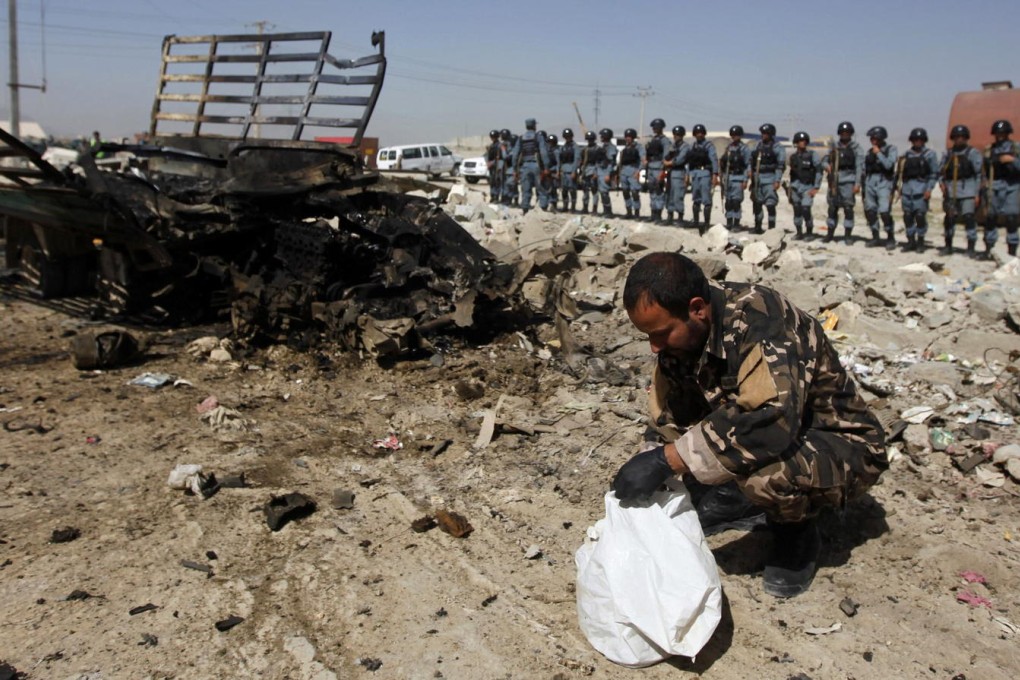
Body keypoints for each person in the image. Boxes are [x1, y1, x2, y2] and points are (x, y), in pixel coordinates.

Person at [613, 252, 888, 598]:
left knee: (766, 480)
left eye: (660, 333)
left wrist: (667, 460)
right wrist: (652, 455)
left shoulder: (762, 321)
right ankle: (734, 492)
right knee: (685, 475)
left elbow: (770, 422)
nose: (654, 346)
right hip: (780, 434)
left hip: (840, 443)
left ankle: (796, 531)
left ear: (697, 308)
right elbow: (673, 411)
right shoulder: (686, 328)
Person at [938, 124, 983, 255]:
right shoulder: (948, 154)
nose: (959, 140)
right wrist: (942, 183)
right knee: (949, 219)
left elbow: (979, 175)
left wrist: (977, 194)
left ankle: (970, 246)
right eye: (956, 137)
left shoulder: (973, 153)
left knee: (969, 218)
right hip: (951, 191)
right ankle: (948, 245)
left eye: (962, 137)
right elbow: (941, 172)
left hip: (968, 189)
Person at [898, 128, 939, 253]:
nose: (917, 142)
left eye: (920, 140)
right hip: (907, 189)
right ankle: (911, 241)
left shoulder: (929, 155)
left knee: (920, 216)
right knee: (908, 216)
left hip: (921, 189)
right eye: (915, 140)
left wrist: (929, 188)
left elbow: (934, 173)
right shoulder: (907, 155)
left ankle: (920, 240)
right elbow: (901, 173)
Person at [983, 119, 1020, 258]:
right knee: (991, 218)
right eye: (998, 133)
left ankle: (1012, 250)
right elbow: (983, 171)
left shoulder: (1016, 148)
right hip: (994, 185)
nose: (1000, 136)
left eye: (1003, 133)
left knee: (1011, 218)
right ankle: (989, 248)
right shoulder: (989, 149)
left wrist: (1012, 161)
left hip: (1012, 186)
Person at [823, 121, 864, 244]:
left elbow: (859, 168)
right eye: (842, 133)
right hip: (834, 179)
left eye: (847, 133)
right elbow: (824, 160)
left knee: (848, 208)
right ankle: (830, 234)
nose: (845, 135)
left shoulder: (856, 148)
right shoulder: (834, 147)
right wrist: (827, 166)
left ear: (851, 134)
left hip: (848, 180)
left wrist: (857, 184)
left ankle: (847, 235)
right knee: (832, 208)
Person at [863, 126, 898, 249]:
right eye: (871, 138)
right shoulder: (869, 152)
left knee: (884, 211)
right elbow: (865, 168)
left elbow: (889, 165)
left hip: (884, 181)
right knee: (871, 210)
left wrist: (879, 154)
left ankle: (890, 237)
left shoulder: (891, 149)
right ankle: (875, 236)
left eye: (874, 138)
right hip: (870, 181)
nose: (872, 140)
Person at [750, 123, 786, 233]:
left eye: (766, 133)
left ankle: (771, 228)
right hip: (757, 178)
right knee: (757, 203)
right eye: (762, 133)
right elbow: (751, 160)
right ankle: (758, 226)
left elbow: (780, 166)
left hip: (770, 177)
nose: (763, 135)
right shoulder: (757, 146)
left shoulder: (777, 147)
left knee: (770, 204)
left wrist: (777, 180)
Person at [787, 131, 823, 240]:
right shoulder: (793, 157)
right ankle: (799, 232)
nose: (802, 143)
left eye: (804, 141)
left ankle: (809, 232)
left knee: (806, 208)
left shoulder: (812, 155)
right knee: (797, 209)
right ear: (796, 143)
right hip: (795, 187)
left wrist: (816, 187)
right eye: (800, 141)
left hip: (808, 187)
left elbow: (819, 171)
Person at [512, 118, 550, 214]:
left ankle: (525, 209)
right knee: (541, 188)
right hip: (537, 166)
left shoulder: (521, 138)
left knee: (526, 189)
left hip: (524, 167)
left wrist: (515, 170)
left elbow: (515, 155)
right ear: (534, 126)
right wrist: (546, 167)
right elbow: (543, 153)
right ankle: (543, 209)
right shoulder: (538, 137)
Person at [688, 124, 719, 234]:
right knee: (696, 198)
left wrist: (715, 174)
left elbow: (714, 160)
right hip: (695, 173)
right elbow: (689, 161)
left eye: (701, 132)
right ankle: (696, 221)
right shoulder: (693, 146)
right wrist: (688, 175)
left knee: (706, 199)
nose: (699, 134)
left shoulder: (709, 146)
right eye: (697, 133)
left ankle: (706, 223)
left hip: (705, 173)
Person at [720, 125, 751, 229]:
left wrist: (745, 180)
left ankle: (736, 223)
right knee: (728, 202)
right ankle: (729, 222)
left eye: (736, 135)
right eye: (733, 135)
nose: (734, 137)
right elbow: (724, 164)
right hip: (728, 178)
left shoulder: (744, 149)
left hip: (739, 178)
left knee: (736, 202)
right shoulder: (729, 148)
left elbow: (748, 165)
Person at [645, 118, 672, 223]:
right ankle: (653, 213)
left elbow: (666, 157)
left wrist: (663, 171)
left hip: (659, 167)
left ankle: (658, 215)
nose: (654, 129)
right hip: (651, 167)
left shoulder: (665, 141)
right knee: (652, 190)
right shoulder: (652, 140)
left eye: (656, 127)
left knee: (659, 191)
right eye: (653, 127)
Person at [665, 125, 690, 226]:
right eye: (675, 135)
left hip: (679, 172)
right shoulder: (673, 146)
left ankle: (680, 217)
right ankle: (670, 216)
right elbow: (666, 156)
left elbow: (680, 159)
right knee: (669, 195)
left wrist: (669, 163)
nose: (676, 136)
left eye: (678, 135)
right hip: (670, 172)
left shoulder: (685, 147)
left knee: (678, 196)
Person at [618, 128, 645, 219]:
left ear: (633, 137)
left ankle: (636, 212)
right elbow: (621, 162)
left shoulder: (639, 147)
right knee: (625, 192)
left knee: (634, 192)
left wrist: (639, 171)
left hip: (633, 171)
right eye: (626, 137)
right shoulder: (624, 149)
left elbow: (643, 160)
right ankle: (629, 211)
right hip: (624, 172)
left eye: (629, 137)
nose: (627, 138)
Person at [596, 128, 618, 216]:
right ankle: (605, 210)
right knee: (602, 191)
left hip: (606, 171)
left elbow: (611, 162)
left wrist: (608, 174)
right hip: (601, 170)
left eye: (602, 136)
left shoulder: (611, 148)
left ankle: (608, 212)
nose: (601, 137)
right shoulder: (603, 147)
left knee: (604, 192)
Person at [558, 128, 580, 213]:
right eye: (566, 136)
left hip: (571, 170)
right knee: (564, 190)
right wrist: (559, 170)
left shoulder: (575, 147)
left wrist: (574, 171)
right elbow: (560, 160)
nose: (567, 138)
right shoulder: (563, 147)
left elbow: (576, 160)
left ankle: (573, 207)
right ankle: (565, 206)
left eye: (569, 136)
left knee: (572, 190)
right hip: (564, 170)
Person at [579, 130, 600, 214]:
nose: (589, 141)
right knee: (585, 190)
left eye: (591, 139)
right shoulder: (584, 149)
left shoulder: (598, 149)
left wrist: (596, 172)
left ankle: (594, 208)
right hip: (585, 170)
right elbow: (582, 161)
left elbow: (599, 162)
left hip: (594, 169)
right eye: (588, 139)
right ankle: (585, 207)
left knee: (594, 190)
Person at [540, 133, 559, 212]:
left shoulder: (557, 151)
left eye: (552, 142)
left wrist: (557, 172)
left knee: (553, 188)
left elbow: (558, 163)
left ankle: (553, 204)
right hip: (546, 172)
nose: (550, 144)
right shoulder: (545, 151)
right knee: (546, 188)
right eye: (549, 142)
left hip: (553, 172)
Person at [485, 129, 504, 204]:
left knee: (497, 182)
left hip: (497, 166)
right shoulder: (491, 146)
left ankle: (496, 196)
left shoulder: (499, 145)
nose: (492, 138)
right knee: (492, 182)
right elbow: (488, 155)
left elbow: (500, 157)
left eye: (494, 137)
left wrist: (492, 163)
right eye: (492, 137)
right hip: (492, 167)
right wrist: (488, 163)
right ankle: (492, 196)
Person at [500, 129, 517, 207]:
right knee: (510, 186)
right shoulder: (512, 149)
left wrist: (503, 150)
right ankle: (509, 201)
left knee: (510, 186)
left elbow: (505, 157)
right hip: (508, 170)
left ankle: (510, 201)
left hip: (512, 170)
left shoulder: (514, 151)